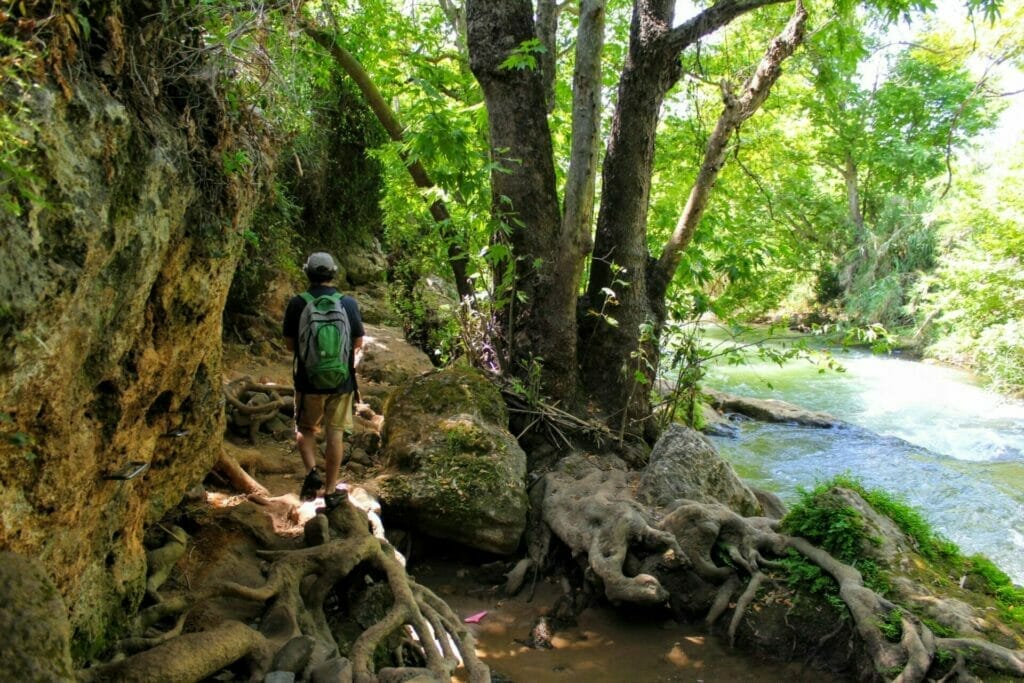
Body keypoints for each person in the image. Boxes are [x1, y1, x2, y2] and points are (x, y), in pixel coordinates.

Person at [283, 252, 364, 500]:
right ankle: (330, 490)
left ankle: (311, 473)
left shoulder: (298, 303)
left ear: (307, 273)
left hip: (308, 382)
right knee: (335, 435)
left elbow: (289, 345)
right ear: (333, 273)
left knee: (305, 429)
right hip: (342, 383)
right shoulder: (348, 303)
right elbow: (358, 342)